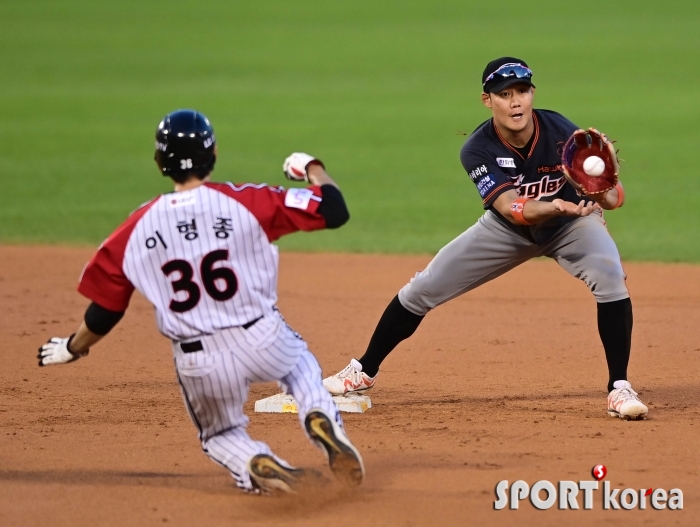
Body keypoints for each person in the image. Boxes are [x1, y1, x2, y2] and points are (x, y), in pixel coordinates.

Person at [37, 109, 365, 494]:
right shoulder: (248, 201)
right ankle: (317, 414)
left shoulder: (136, 227)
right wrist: (312, 167)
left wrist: (73, 347)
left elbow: (106, 310)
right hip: (263, 336)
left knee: (221, 433)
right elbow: (334, 209)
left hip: (199, 359)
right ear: (213, 155)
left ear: (160, 162)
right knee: (302, 372)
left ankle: (252, 461)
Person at [323, 57, 648, 421]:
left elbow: (616, 199)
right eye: (504, 94)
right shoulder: (476, 148)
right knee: (422, 289)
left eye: (522, 91)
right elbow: (511, 209)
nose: (515, 102)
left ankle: (619, 388)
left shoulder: (561, 132)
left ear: (532, 94)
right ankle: (363, 370)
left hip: (572, 227)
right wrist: (555, 205)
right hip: (507, 231)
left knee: (610, 275)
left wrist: (602, 190)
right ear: (486, 100)